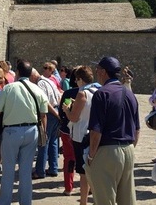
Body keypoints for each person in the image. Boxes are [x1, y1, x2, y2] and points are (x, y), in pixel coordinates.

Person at [0, 60, 48, 205]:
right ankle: (25, 202)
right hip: (32, 130)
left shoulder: (9, 88)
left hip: (12, 131)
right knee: (26, 170)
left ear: (17, 73)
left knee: (8, 170)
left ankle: (4, 202)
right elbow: (43, 114)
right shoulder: (37, 90)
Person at [86, 56, 140, 205]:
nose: (97, 73)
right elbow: (137, 129)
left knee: (105, 199)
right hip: (128, 149)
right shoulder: (130, 94)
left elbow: (96, 131)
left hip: (107, 151)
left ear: (103, 72)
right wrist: (129, 148)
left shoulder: (101, 94)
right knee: (127, 200)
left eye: (98, 70)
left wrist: (91, 156)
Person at [62, 65, 99, 205]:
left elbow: (74, 117)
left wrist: (66, 110)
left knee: (83, 172)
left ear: (80, 80)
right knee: (95, 170)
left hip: (81, 135)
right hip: (96, 134)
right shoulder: (98, 91)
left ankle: (83, 202)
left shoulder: (82, 93)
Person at [31, 66, 61, 179]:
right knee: (53, 141)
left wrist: (55, 114)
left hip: (50, 113)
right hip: (56, 109)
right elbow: (58, 96)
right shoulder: (49, 81)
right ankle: (53, 168)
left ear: (33, 76)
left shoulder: (40, 84)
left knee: (43, 142)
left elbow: (45, 103)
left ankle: (40, 171)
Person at [58, 69, 79, 196]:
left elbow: (63, 112)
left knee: (69, 159)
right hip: (84, 131)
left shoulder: (69, 93)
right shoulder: (90, 92)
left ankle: (68, 187)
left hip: (67, 130)